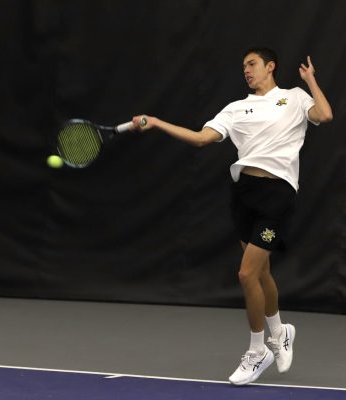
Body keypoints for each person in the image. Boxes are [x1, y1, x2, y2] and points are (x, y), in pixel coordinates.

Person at [132, 47, 333, 385]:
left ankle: (258, 351)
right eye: (243, 67)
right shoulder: (235, 108)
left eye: (252, 64)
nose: (247, 71)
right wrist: (156, 123)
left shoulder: (294, 98)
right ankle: (280, 331)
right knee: (262, 272)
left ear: (270, 67)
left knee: (246, 274)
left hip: (277, 196)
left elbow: (325, 115)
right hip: (244, 196)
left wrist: (311, 80)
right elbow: (200, 139)